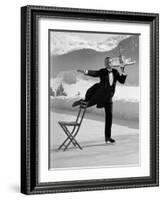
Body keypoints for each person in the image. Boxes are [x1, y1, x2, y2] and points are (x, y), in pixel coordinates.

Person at [72, 56, 128, 144]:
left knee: (109, 118)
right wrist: (86, 71)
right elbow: (95, 73)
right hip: (100, 96)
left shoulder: (115, 72)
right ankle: (81, 101)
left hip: (109, 98)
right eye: (106, 62)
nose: (108, 64)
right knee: (88, 103)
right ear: (104, 64)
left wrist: (123, 71)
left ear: (112, 63)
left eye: (109, 62)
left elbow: (122, 81)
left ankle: (107, 137)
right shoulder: (102, 71)